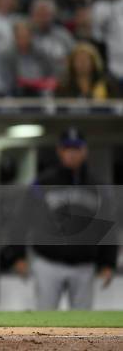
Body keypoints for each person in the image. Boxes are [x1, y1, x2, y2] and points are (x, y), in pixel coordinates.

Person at [7, 128, 118, 310]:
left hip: (85, 265)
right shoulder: (42, 182)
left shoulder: (98, 185)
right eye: (68, 148)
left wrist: (108, 262)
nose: (72, 153)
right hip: (48, 263)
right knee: (44, 320)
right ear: (60, 151)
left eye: (76, 148)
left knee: (83, 326)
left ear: (85, 151)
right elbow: (22, 219)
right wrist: (17, 255)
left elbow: (107, 225)